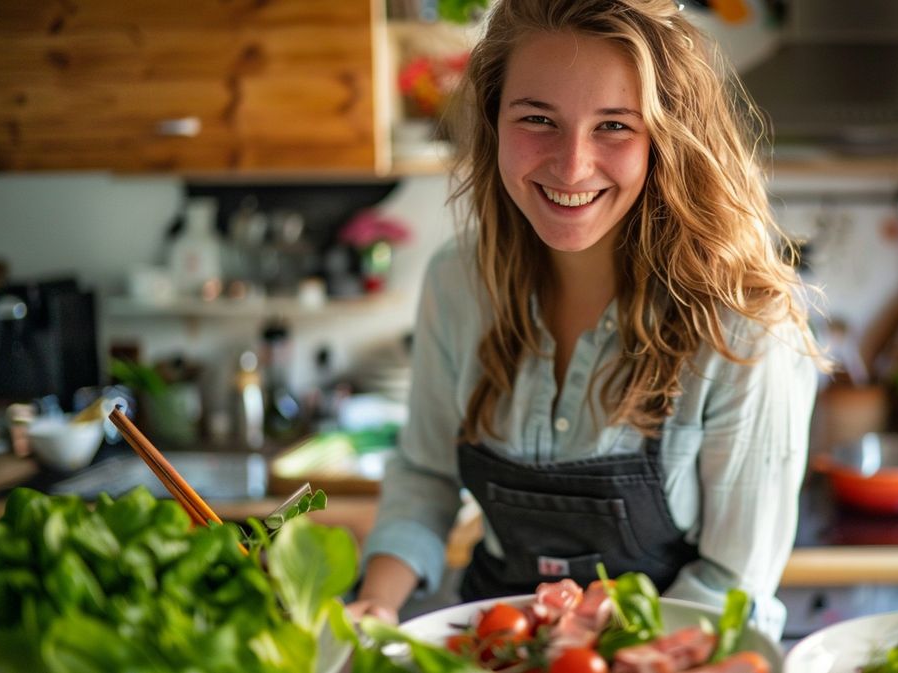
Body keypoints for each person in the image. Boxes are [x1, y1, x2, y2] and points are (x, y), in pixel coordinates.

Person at [348, 0, 824, 641]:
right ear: (493, 121)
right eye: (538, 118)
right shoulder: (458, 282)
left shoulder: (744, 326)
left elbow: (729, 586)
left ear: (670, 135)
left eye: (615, 127)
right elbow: (427, 474)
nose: (572, 165)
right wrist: (376, 604)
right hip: (494, 648)